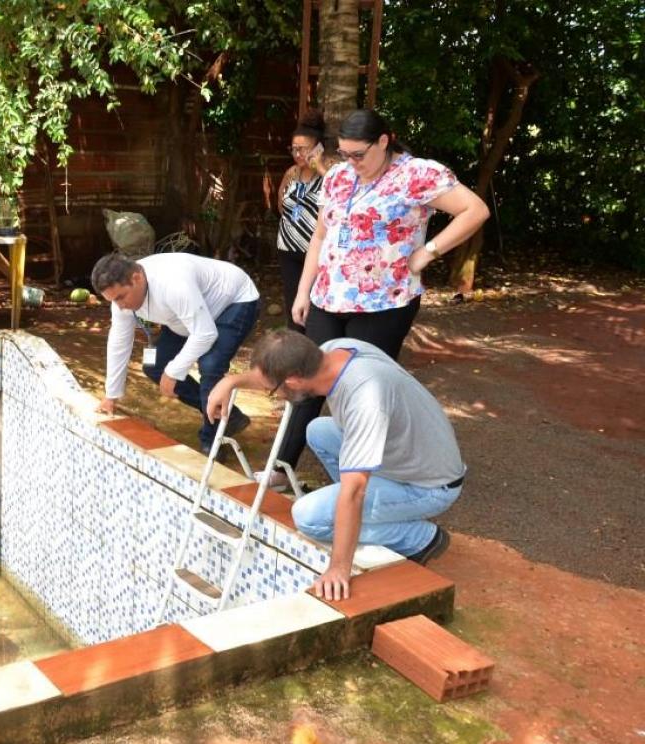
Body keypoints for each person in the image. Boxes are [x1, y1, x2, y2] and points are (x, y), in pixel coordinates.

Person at [266, 109, 488, 489]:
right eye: (345, 153)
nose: (351, 162)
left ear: (383, 141)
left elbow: (474, 210)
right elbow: (320, 236)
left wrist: (428, 252)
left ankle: (361, 482)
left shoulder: (416, 174)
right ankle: (280, 468)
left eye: (359, 154)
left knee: (362, 391)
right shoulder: (337, 176)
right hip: (328, 297)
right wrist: (303, 291)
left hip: (384, 304)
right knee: (305, 378)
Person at [208, 329, 464, 600]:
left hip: (427, 487)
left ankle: (420, 538)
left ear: (293, 380)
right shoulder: (333, 350)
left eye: (272, 391)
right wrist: (231, 381)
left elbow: (354, 491)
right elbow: (273, 374)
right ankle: (365, 512)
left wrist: (339, 568)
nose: (274, 395)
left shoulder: (365, 399)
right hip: (407, 458)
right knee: (318, 430)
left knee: (309, 517)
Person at [92, 252, 260, 456]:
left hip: (233, 302)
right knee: (155, 366)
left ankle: (212, 441)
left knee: (210, 365)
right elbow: (119, 341)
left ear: (137, 278)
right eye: (112, 301)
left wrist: (173, 372)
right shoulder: (122, 298)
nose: (119, 306)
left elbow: (205, 333)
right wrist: (111, 395)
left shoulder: (173, 283)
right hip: (186, 317)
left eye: (121, 297)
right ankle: (229, 415)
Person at [275, 109, 333, 332]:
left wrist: (320, 167)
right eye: (294, 149)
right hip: (288, 249)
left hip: (316, 251)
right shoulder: (292, 172)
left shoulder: (331, 172)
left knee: (315, 304)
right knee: (293, 302)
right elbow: (281, 204)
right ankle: (296, 344)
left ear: (318, 148)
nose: (298, 154)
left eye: (304, 149)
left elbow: (342, 194)